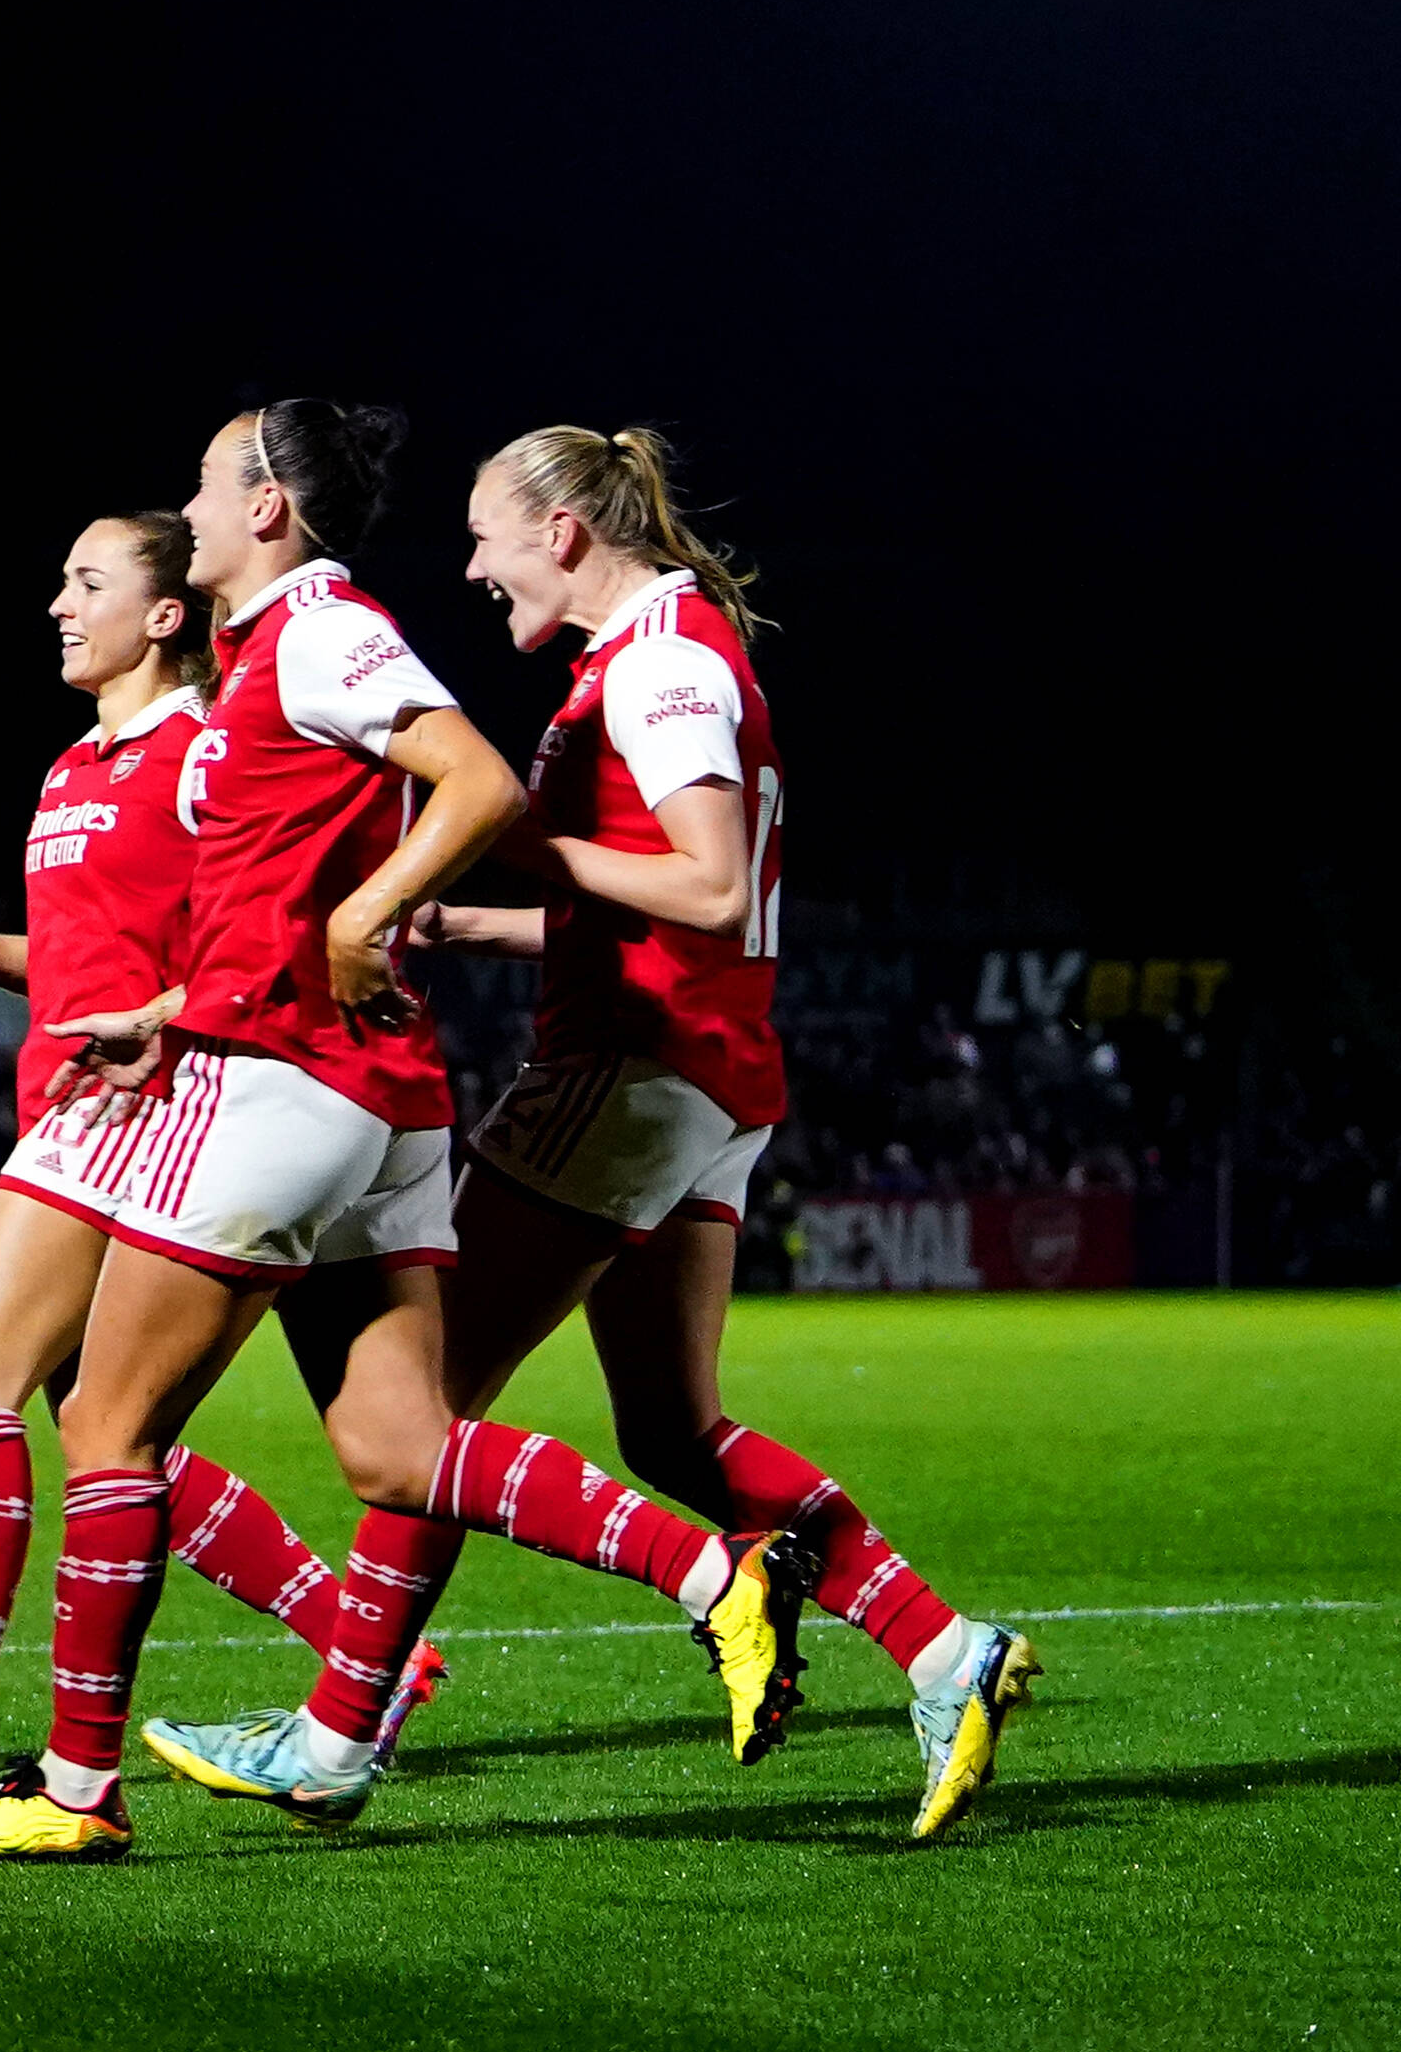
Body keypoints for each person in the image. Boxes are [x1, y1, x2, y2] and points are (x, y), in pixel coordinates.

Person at [0, 402, 813, 1863]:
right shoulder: (274, 653)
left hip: (289, 1082)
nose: (187, 512)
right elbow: (281, 882)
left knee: (104, 1421)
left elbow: (476, 782)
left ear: (269, 507)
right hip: (354, 1089)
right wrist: (186, 995)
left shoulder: (324, 628)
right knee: (404, 1448)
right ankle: (714, 1574)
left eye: (206, 487)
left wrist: (359, 916)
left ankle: (72, 1794)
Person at [404, 426, 1035, 1840]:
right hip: (703, 1077)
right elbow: (675, 899)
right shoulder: (655, 656)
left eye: (485, 532)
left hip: (631, 1072)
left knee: (418, 1408)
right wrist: (470, 922)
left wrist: (504, 842)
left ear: (561, 533)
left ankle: (340, 1722)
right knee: (671, 1430)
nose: (469, 563)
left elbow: (703, 885)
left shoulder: (665, 663)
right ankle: (946, 1652)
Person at [0, 514, 439, 1799]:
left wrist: (172, 1021)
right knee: (106, 1431)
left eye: (87, 582)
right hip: (67, 1098)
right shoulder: (70, 768)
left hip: (145, 1107)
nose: (56, 604)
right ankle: (363, 1650)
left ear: (161, 616)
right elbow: (86, 957)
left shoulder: (208, 751)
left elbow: (262, 931)